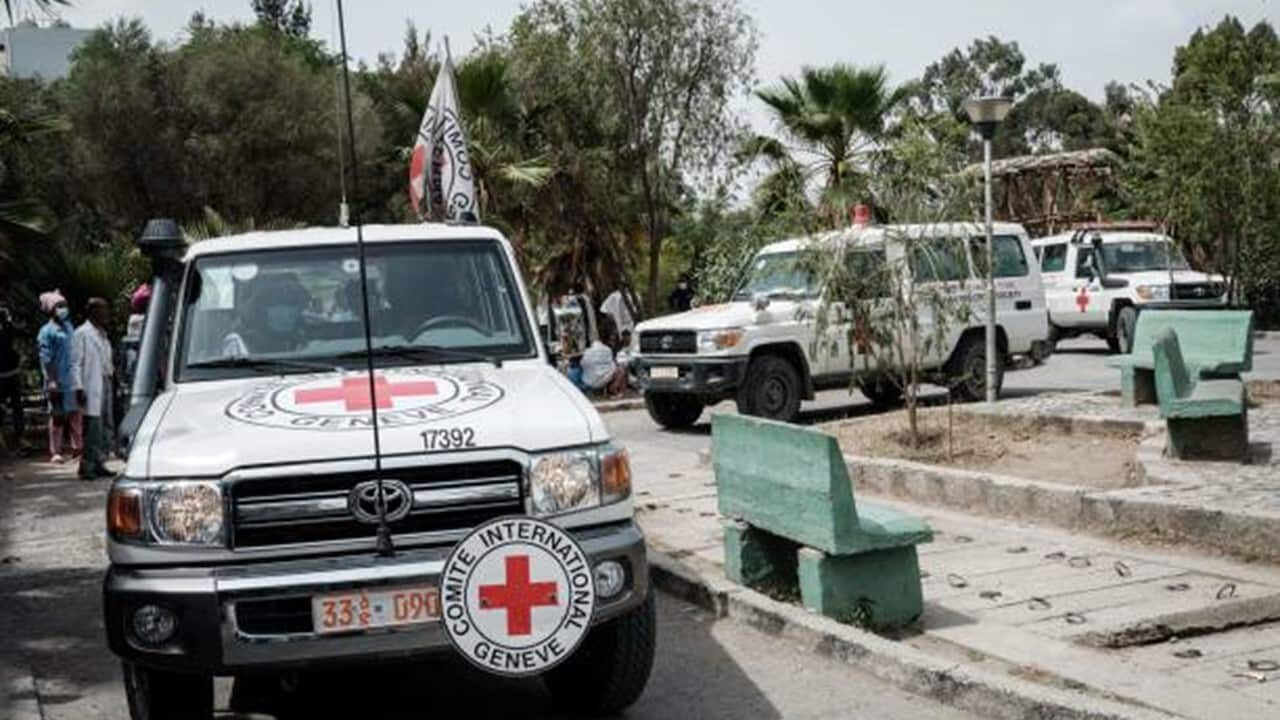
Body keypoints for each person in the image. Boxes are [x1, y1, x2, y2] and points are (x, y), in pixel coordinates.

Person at [71, 298, 115, 479]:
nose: (106, 314)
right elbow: (75, 363)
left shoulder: (102, 334)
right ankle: (86, 466)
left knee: (106, 426)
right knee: (93, 428)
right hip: (91, 383)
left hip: (105, 381)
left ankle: (99, 462)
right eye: (102, 310)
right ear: (92, 312)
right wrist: (79, 387)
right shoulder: (82, 333)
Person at [36, 290, 81, 463]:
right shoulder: (46, 331)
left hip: (72, 378)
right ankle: (55, 451)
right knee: (58, 416)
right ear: (51, 310)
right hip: (56, 379)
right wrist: (52, 380)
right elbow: (46, 359)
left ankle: (78, 448)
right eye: (59, 306)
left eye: (64, 305)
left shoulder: (69, 327)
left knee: (75, 414)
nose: (63, 309)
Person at [578, 314, 628, 397]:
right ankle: (616, 390)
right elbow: (613, 366)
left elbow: (583, 363)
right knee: (622, 369)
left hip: (587, 381)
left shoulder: (589, 349)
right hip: (599, 381)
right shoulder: (607, 350)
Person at [0, 305, 26, 452]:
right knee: (13, 407)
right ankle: (13, 438)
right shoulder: (9, 328)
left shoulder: (9, 328)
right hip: (7, 374)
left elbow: (20, 328)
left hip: (12, 373)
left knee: (16, 407)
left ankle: (18, 437)